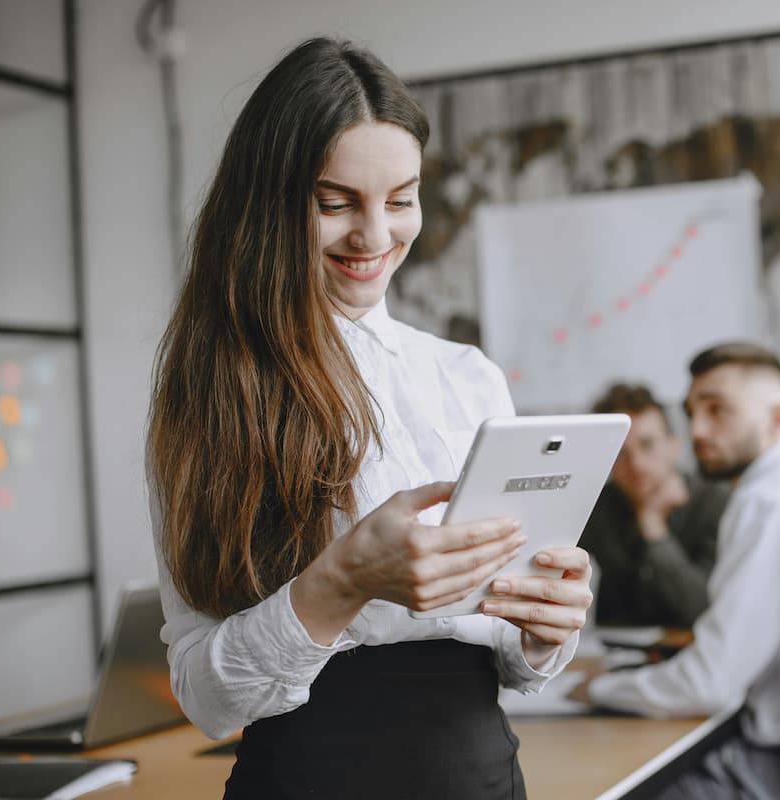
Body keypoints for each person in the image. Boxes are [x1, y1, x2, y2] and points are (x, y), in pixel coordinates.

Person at [145, 37, 591, 800]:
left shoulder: (467, 378)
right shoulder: (213, 389)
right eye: (335, 202)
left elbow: (509, 661)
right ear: (272, 202)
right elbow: (207, 699)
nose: (376, 236)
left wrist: (544, 629)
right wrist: (345, 578)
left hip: (482, 775)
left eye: (401, 198)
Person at [575, 343, 780, 798]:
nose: (699, 430)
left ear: (777, 416)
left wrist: (600, 690)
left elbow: (710, 684)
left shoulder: (772, 505)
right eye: (692, 413)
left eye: (718, 410)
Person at [578, 382, 729, 628]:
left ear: (674, 446)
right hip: (614, 655)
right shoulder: (595, 507)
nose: (635, 463)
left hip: (690, 653)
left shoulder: (714, 501)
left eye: (647, 445)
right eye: (619, 451)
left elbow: (701, 609)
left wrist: (653, 526)